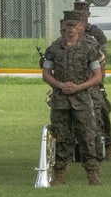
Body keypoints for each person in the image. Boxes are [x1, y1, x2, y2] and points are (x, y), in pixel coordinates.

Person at [42, 10, 104, 185]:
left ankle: (93, 173)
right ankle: (60, 174)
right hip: (61, 101)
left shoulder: (89, 49)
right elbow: (46, 74)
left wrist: (79, 87)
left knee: (87, 136)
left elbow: (97, 76)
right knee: (61, 136)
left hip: (82, 100)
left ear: (81, 27)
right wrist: (60, 85)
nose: (70, 29)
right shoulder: (54, 49)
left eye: (74, 25)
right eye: (67, 25)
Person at [74, 2, 111, 161]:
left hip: (94, 81)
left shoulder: (96, 34)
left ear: (88, 15)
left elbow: (101, 58)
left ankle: (108, 144)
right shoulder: (70, 33)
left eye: (83, 14)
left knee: (102, 112)